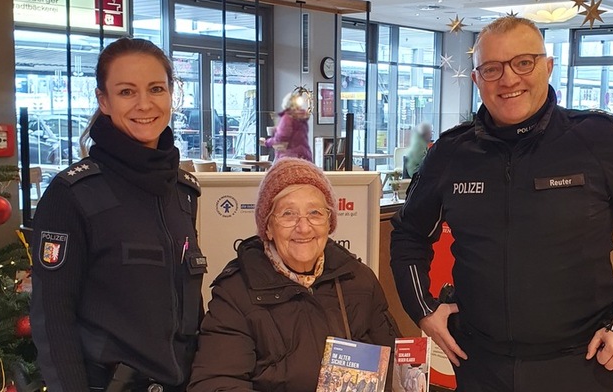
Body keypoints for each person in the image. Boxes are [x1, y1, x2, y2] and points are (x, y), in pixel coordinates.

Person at [390, 16, 613, 392]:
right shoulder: (451, 153)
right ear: (476, 79)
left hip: (579, 363)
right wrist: (423, 309)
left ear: (548, 66)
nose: (508, 79)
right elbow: (408, 235)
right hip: (480, 364)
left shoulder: (600, 140)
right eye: (492, 68)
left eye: (523, 62)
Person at [30, 37, 206, 391]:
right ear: (104, 101)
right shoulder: (72, 195)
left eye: (156, 89)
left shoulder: (183, 192)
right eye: (127, 92)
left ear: (171, 95)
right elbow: (53, 319)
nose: (144, 104)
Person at [188, 157, 397, 391]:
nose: (304, 227)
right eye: (288, 214)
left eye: (315, 213)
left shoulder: (359, 280)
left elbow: (393, 366)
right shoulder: (236, 293)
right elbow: (216, 383)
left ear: (329, 223)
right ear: (268, 227)